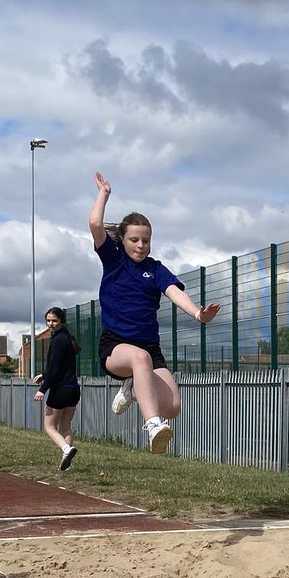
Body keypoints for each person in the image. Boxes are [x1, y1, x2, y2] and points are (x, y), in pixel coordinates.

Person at [89, 171, 220, 453]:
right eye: (134, 240)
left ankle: (134, 388)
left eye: (145, 241)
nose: (140, 245)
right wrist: (104, 194)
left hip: (149, 348)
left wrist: (198, 314)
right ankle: (152, 426)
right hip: (116, 347)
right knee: (139, 358)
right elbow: (95, 223)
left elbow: (174, 292)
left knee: (173, 406)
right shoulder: (114, 261)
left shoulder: (155, 269)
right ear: (122, 240)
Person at [33, 306, 81, 471]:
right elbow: (60, 366)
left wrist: (43, 389)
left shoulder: (57, 340)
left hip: (61, 390)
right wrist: (44, 374)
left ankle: (66, 449)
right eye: (48, 321)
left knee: (49, 426)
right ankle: (66, 464)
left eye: (54, 320)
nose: (51, 324)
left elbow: (55, 369)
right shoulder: (67, 338)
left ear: (61, 321)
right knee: (66, 424)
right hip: (73, 389)